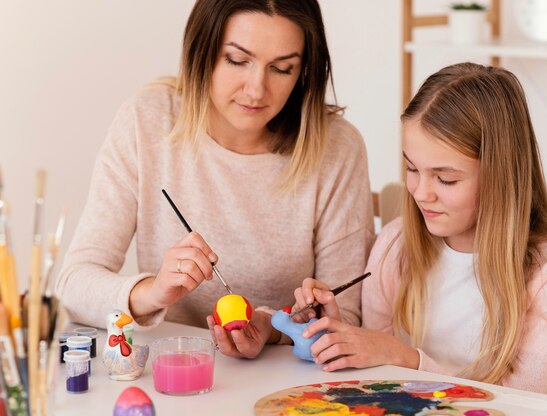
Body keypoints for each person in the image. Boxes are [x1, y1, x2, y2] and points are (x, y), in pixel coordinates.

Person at [56, 0, 374, 359]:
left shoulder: (337, 147)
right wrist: (153, 292)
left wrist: (272, 329)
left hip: (285, 387)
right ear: (201, 50)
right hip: (171, 371)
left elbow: (344, 317)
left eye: (282, 68)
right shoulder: (146, 120)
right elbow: (74, 285)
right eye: (237, 60)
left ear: (304, 71)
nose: (256, 90)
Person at [294, 62, 547, 397]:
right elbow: (378, 373)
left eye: (446, 178)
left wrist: (408, 359)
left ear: (501, 176)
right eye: (412, 168)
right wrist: (339, 333)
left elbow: (519, 402)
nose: (420, 192)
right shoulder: (396, 244)